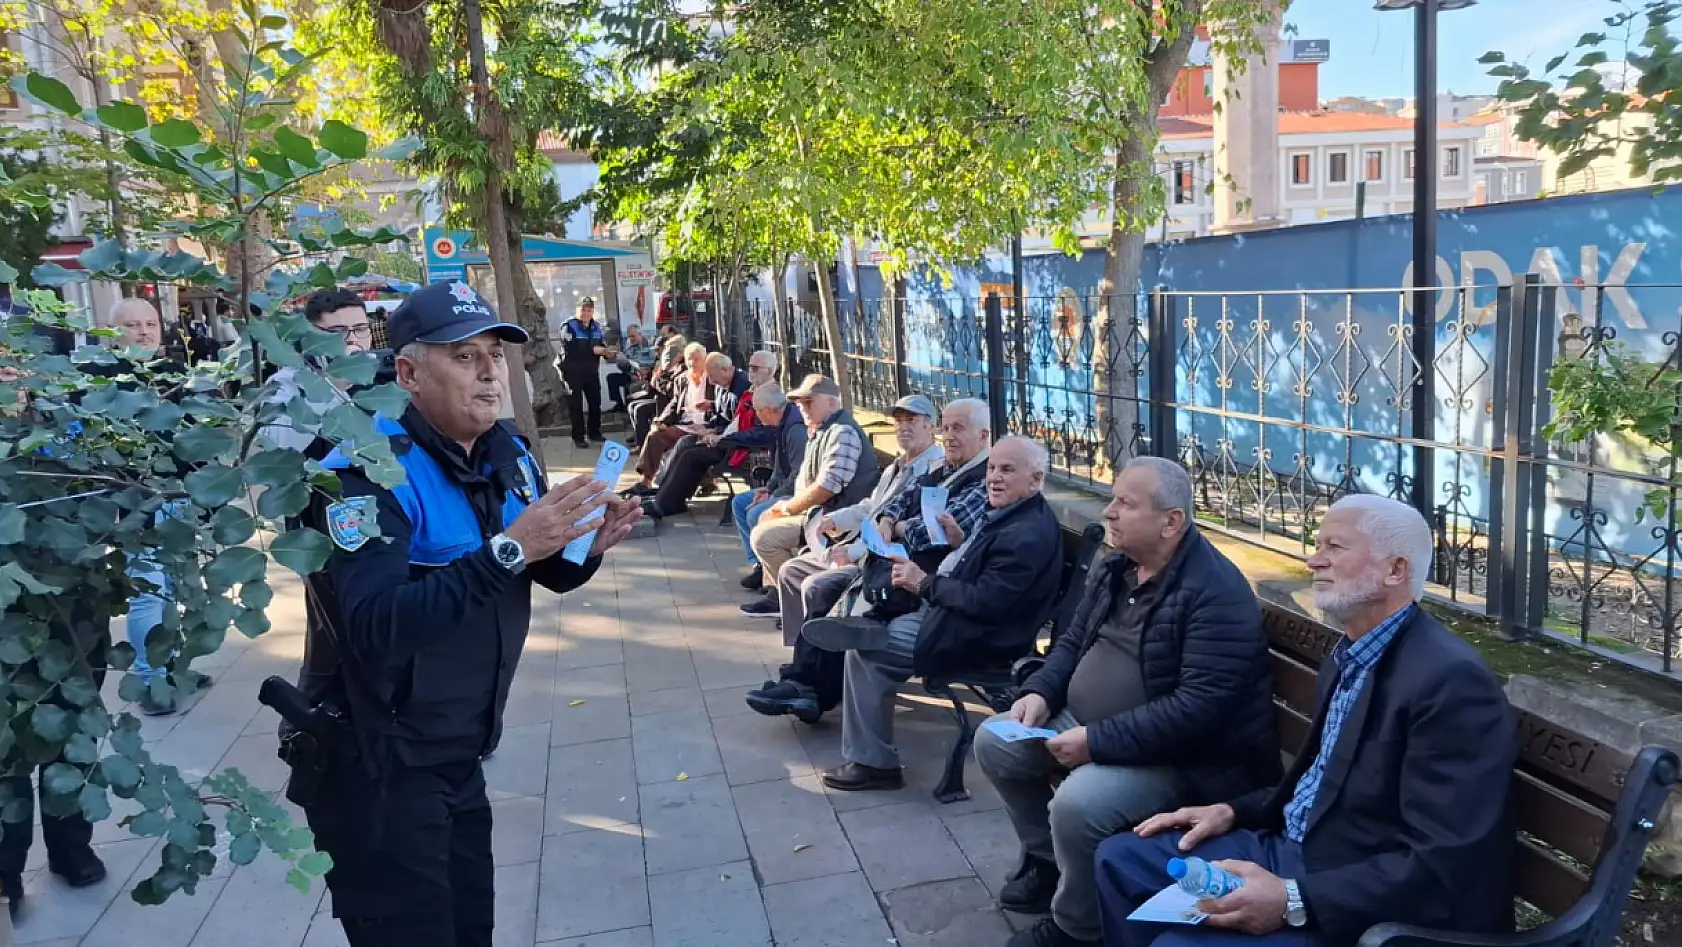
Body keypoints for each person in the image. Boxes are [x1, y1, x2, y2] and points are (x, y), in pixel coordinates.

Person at [293, 280, 642, 947]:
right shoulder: (366, 471)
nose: (490, 371)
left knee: (470, 931)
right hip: (378, 767)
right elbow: (375, 627)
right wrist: (512, 547)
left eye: (494, 352)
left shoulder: (506, 451)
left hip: (459, 752)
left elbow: (540, 572)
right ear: (407, 372)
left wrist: (581, 548)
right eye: (463, 355)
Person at [1094, 495, 1517, 947]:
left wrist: (1293, 897)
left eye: (1335, 547)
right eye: (1318, 545)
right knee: (1121, 860)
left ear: (1395, 570)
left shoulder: (1450, 683)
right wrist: (1232, 810)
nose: (1314, 560)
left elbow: (1442, 864)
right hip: (1297, 849)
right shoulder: (1351, 652)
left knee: (1179, 946)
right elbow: (1319, 787)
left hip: (1357, 893)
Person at [975, 457, 1280, 947]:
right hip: (1092, 727)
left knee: (1078, 805)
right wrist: (1040, 692)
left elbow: (1197, 709)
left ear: (1171, 521)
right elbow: (1072, 643)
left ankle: (1078, 928)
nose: (1110, 511)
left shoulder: (1214, 592)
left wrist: (1097, 742)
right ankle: (1050, 862)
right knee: (995, 741)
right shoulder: (1119, 566)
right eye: (1112, 498)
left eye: (1125, 503)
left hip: (1178, 756)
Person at [805, 435, 1064, 792]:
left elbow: (986, 602)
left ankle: (875, 765)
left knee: (867, 653)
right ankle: (865, 624)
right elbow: (984, 577)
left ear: (1035, 480)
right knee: (873, 604)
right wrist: (960, 544)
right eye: (991, 468)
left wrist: (923, 584)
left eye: (1007, 470)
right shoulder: (1013, 513)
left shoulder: (1025, 533)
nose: (994, 477)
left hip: (981, 638)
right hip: (958, 617)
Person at [747, 395, 989, 721]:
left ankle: (809, 689)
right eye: (948, 428)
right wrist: (889, 522)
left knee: (830, 589)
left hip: (921, 581)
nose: (950, 436)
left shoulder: (976, 477)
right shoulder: (937, 468)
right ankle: (803, 684)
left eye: (957, 428)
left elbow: (933, 533)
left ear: (984, 436)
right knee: (821, 588)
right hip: (891, 561)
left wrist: (892, 528)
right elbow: (889, 507)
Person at [739, 374, 880, 613]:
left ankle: (792, 603)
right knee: (762, 518)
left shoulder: (842, 432)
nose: (802, 408)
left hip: (837, 520)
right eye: (800, 403)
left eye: (809, 402)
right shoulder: (822, 429)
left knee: (764, 536)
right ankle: (777, 594)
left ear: (831, 403)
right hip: (819, 513)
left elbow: (828, 487)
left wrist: (788, 507)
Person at [642, 350, 779, 520]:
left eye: (755, 368)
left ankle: (665, 504)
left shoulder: (769, 395)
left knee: (691, 455)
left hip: (743, 448)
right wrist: (714, 432)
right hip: (733, 440)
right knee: (688, 446)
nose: (750, 371)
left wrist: (723, 437)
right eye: (750, 366)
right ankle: (666, 498)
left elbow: (763, 433)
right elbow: (735, 420)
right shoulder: (753, 390)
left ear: (770, 370)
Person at [259, 288, 375, 458]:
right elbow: (275, 448)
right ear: (312, 335)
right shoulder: (287, 382)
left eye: (361, 328)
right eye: (337, 331)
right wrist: (330, 387)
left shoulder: (385, 378)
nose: (352, 339)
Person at [732, 382, 807, 581]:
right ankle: (757, 563)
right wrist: (768, 488)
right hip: (783, 487)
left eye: (757, 411)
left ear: (766, 410)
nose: (756, 416)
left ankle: (771, 572)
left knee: (756, 513)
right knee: (740, 503)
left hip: (797, 492)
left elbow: (798, 475)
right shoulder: (780, 426)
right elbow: (779, 468)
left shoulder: (795, 430)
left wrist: (774, 494)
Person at [630, 341, 712, 491]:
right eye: (689, 359)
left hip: (708, 425)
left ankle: (704, 481)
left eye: (696, 359)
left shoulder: (712, 379)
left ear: (704, 359)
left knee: (692, 444)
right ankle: (646, 480)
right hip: (685, 424)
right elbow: (674, 404)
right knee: (655, 435)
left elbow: (721, 404)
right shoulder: (682, 379)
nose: (692, 363)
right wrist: (661, 420)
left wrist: (710, 408)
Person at [559, 296, 612, 448]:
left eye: (589, 310)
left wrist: (606, 351)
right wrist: (593, 350)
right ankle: (578, 437)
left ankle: (594, 432)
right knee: (575, 406)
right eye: (583, 309)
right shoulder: (568, 326)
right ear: (577, 310)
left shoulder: (596, 326)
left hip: (591, 372)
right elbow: (570, 349)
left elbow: (600, 343)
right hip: (572, 372)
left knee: (595, 403)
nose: (586, 313)